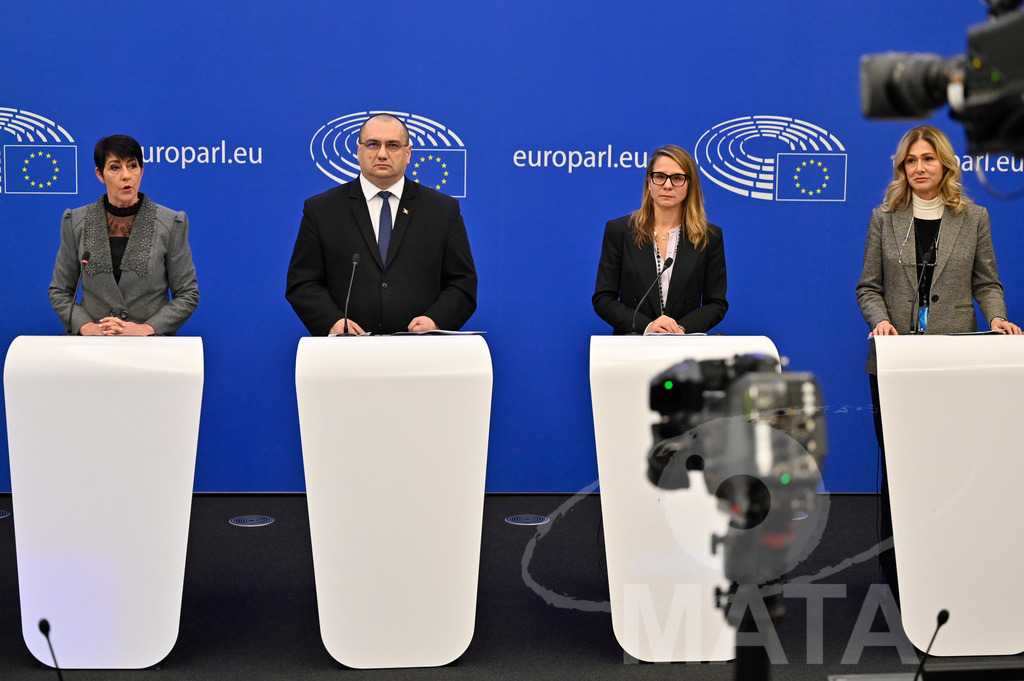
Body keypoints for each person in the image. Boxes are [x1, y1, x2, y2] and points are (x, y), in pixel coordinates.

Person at [855, 124, 1021, 601]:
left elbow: (987, 283)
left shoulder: (974, 217)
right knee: (899, 465)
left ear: (945, 164)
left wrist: (999, 319)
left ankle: (952, 561)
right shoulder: (884, 218)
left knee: (951, 463)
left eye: (928, 159)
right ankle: (896, 572)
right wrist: (882, 321)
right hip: (895, 361)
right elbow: (868, 286)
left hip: (953, 362)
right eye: (911, 161)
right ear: (901, 168)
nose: (920, 168)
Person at [286, 113, 477, 335]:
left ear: (408, 153)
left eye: (393, 145)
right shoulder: (322, 210)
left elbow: (462, 283)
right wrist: (333, 322)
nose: (382, 154)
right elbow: (303, 283)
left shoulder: (442, 210)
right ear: (359, 151)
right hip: (347, 354)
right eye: (373, 144)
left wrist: (434, 321)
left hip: (420, 352)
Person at [49, 135, 199, 335]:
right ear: (100, 174)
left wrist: (147, 328)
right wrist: (87, 327)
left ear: (142, 170)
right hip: (93, 350)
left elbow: (188, 294)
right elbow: (60, 291)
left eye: (133, 166)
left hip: (150, 350)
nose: (126, 175)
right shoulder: (76, 222)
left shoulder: (171, 223)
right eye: (115, 167)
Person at [593, 144, 727, 334]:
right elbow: (603, 299)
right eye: (660, 177)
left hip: (684, 347)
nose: (667, 185)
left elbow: (716, 303)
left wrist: (680, 329)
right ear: (649, 182)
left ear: (690, 185)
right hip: (633, 345)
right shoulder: (619, 230)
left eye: (677, 178)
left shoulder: (710, 236)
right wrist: (647, 326)